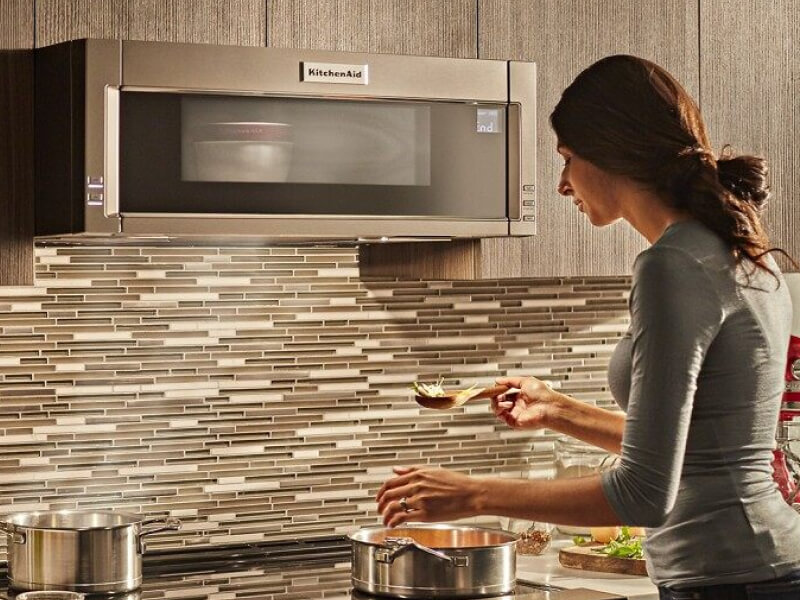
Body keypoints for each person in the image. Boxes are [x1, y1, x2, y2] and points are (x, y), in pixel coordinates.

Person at [376, 55, 800, 600]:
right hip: (758, 568)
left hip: (733, 581)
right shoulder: (738, 250)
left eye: (568, 158)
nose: (561, 184)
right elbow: (700, 446)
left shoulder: (672, 266)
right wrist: (558, 410)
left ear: (611, 152)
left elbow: (644, 492)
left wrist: (470, 495)